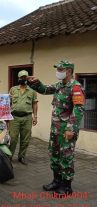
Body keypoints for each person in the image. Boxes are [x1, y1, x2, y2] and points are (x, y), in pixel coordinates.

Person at [27, 60, 84, 195]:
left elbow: (78, 109)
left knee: (66, 156)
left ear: (68, 71)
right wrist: (35, 82)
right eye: (57, 69)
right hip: (56, 128)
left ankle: (66, 186)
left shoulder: (75, 87)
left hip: (66, 129)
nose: (58, 72)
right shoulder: (59, 85)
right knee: (54, 154)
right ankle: (56, 181)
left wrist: (71, 128)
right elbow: (45, 89)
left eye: (60, 69)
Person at [8, 70, 38, 165]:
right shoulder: (13, 89)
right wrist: (6, 115)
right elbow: (7, 103)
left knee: (25, 139)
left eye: (25, 77)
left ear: (28, 78)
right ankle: (9, 156)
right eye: (21, 77)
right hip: (14, 117)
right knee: (13, 138)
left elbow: (35, 104)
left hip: (27, 117)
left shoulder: (32, 91)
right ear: (18, 79)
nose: (23, 79)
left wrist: (35, 116)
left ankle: (21, 156)